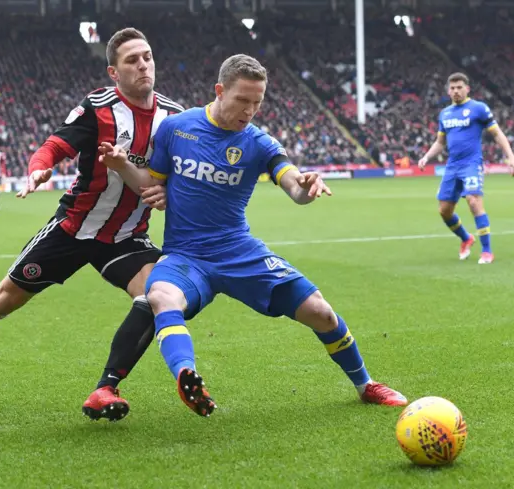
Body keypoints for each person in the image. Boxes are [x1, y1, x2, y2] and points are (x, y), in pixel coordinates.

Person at [99, 54, 407, 417]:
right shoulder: (175, 129)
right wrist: (121, 166)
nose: (250, 110)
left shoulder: (260, 143)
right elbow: (152, 186)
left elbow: (292, 185)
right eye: (242, 100)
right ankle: (186, 375)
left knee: (320, 312)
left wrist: (306, 188)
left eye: (257, 102)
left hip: (239, 251)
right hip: (185, 255)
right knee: (161, 297)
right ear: (219, 90)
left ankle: (365, 384)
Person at [0, 27, 183, 421]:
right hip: (73, 228)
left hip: (126, 237)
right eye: (132, 60)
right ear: (113, 72)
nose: (143, 65)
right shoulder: (99, 108)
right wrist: (38, 170)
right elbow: (55, 146)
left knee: (159, 293)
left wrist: (167, 192)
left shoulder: (174, 118)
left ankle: (105, 388)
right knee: (3, 300)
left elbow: (182, 175)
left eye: (147, 56)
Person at [418, 72, 514, 264]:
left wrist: (510, 157)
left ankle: (487, 251)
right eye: (452, 88)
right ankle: (466, 238)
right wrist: (426, 156)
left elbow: (497, 134)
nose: (455, 91)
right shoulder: (445, 114)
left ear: (467, 89)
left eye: (459, 87)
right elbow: (440, 142)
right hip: (452, 166)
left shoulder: (478, 108)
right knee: (444, 210)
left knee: (474, 202)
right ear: (448, 91)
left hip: (471, 164)